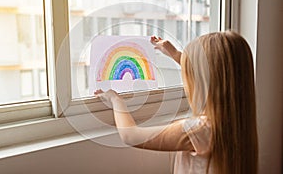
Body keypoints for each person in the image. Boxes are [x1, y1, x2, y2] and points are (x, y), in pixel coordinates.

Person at [94, 31, 258, 174]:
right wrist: (176, 54)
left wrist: (116, 100)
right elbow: (218, 74)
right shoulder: (238, 123)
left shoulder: (198, 131)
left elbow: (131, 136)